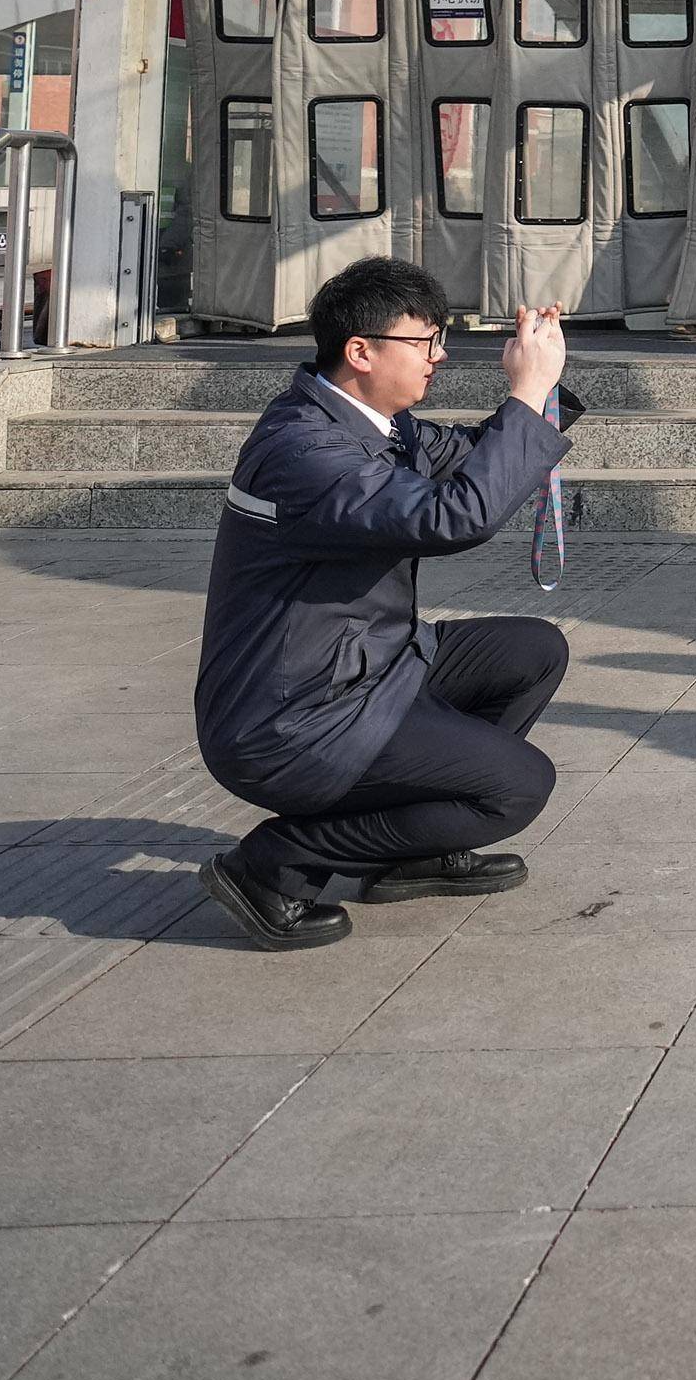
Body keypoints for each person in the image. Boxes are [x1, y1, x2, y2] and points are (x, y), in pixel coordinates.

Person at [192, 258, 576, 951]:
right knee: (517, 789)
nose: (439, 355)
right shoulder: (306, 451)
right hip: (294, 719)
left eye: (438, 338)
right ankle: (275, 863)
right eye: (423, 341)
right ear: (361, 351)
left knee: (532, 651)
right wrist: (528, 393)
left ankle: (415, 848)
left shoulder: (370, 422)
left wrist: (544, 391)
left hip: (365, 668)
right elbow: (455, 518)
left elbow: (469, 461)